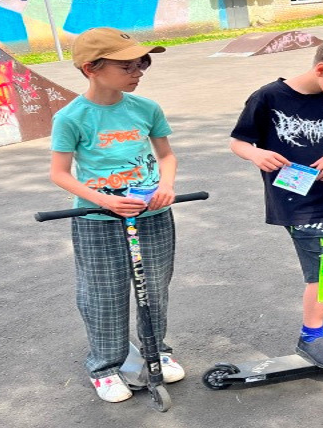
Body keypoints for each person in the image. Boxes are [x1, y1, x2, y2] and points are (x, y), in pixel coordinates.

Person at [230, 34, 323, 369]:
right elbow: (238, 142)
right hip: (298, 202)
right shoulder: (269, 97)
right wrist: (256, 154)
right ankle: (311, 337)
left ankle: (322, 326)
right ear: (321, 69)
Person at [49, 27, 185, 403]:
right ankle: (105, 367)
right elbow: (59, 174)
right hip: (98, 220)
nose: (139, 71)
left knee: (153, 289)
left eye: (143, 62)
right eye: (127, 65)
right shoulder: (71, 117)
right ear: (91, 67)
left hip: (152, 215)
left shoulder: (146, 109)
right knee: (103, 295)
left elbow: (166, 156)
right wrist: (104, 201)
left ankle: (156, 353)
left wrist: (166, 186)